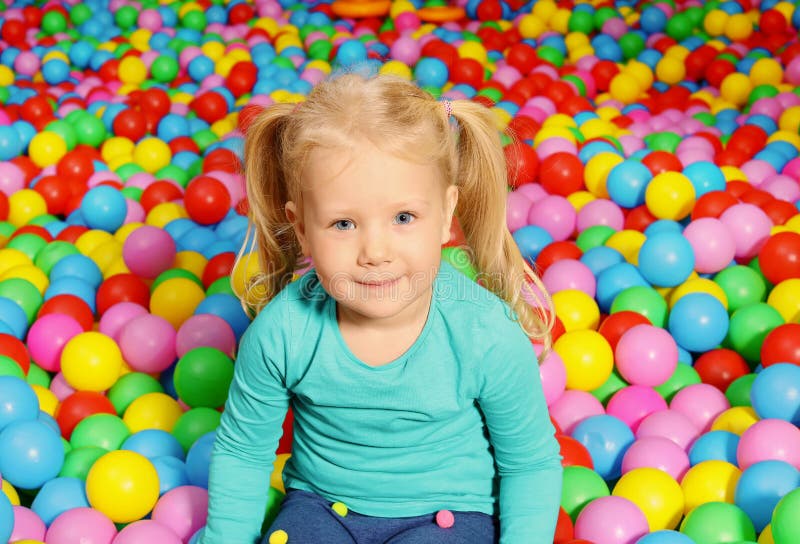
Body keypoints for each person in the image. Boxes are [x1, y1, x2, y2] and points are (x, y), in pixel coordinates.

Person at [200, 72, 563, 544]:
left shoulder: (483, 331)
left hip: (447, 517)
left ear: (446, 214)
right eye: (343, 223)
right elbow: (244, 452)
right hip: (321, 509)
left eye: (404, 217)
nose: (375, 251)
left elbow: (530, 460)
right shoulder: (284, 332)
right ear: (303, 227)